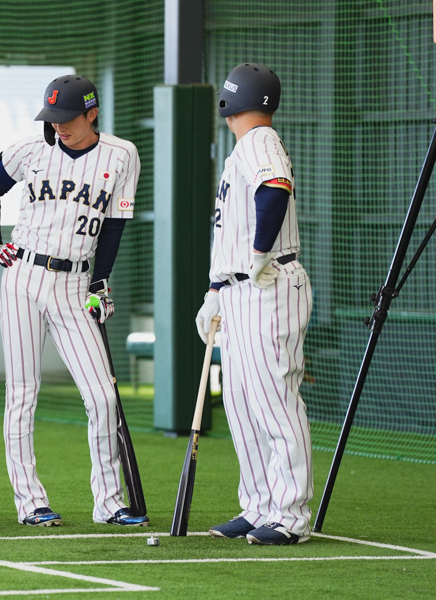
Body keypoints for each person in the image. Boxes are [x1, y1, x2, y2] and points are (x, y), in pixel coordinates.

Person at [0, 75, 148, 528]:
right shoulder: (30, 149)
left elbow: (114, 226)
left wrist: (100, 283)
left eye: (67, 118)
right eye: (52, 117)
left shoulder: (122, 154)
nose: (59, 126)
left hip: (76, 284)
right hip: (24, 278)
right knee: (23, 394)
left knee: (103, 397)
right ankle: (30, 501)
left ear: (92, 114)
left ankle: (108, 502)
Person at [194, 63, 313, 545]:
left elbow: (275, 189)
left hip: (269, 283)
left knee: (274, 401)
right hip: (239, 289)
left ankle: (291, 515)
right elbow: (233, 229)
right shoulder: (244, 146)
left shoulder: (260, 140)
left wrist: (261, 253)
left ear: (232, 102)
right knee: (243, 405)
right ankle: (260, 506)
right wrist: (215, 290)